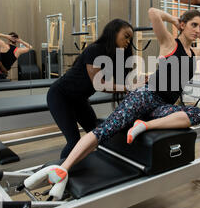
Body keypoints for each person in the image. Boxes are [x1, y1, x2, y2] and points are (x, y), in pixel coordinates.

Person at [34, 8, 200, 190]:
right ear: (182, 24)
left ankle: (144, 125)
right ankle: (63, 168)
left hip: (162, 106)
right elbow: (154, 13)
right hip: (146, 96)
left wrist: (198, 33)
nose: (197, 29)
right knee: (105, 130)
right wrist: (176, 23)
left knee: (197, 114)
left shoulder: (194, 53)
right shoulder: (170, 43)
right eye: (194, 25)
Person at [47, 19, 136, 159]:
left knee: (96, 135)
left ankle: (94, 168)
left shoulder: (116, 56)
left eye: (130, 39)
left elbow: (125, 81)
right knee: (74, 141)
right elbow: (98, 84)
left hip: (79, 99)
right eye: (126, 36)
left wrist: (140, 82)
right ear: (113, 33)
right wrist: (128, 87)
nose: (128, 42)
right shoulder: (95, 50)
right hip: (61, 96)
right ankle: (60, 174)